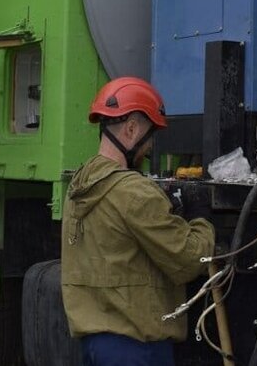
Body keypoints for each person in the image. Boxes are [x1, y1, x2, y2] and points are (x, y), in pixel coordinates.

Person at [62, 76, 215, 366]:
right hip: (137, 349)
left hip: (95, 345)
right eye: (150, 136)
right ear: (131, 129)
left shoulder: (78, 186)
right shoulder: (134, 192)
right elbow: (190, 259)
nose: (150, 147)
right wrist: (200, 218)